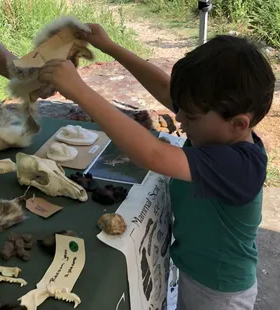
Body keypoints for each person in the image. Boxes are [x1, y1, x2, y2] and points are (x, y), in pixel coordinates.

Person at [38, 24, 275, 310]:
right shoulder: (219, 128)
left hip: (220, 294)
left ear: (239, 124)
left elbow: (153, 154)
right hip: (198, 275)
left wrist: (81, 91)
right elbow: (165, 88)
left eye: (190, 116)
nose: (180, 119)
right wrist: (110, 46)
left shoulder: (239, 166)